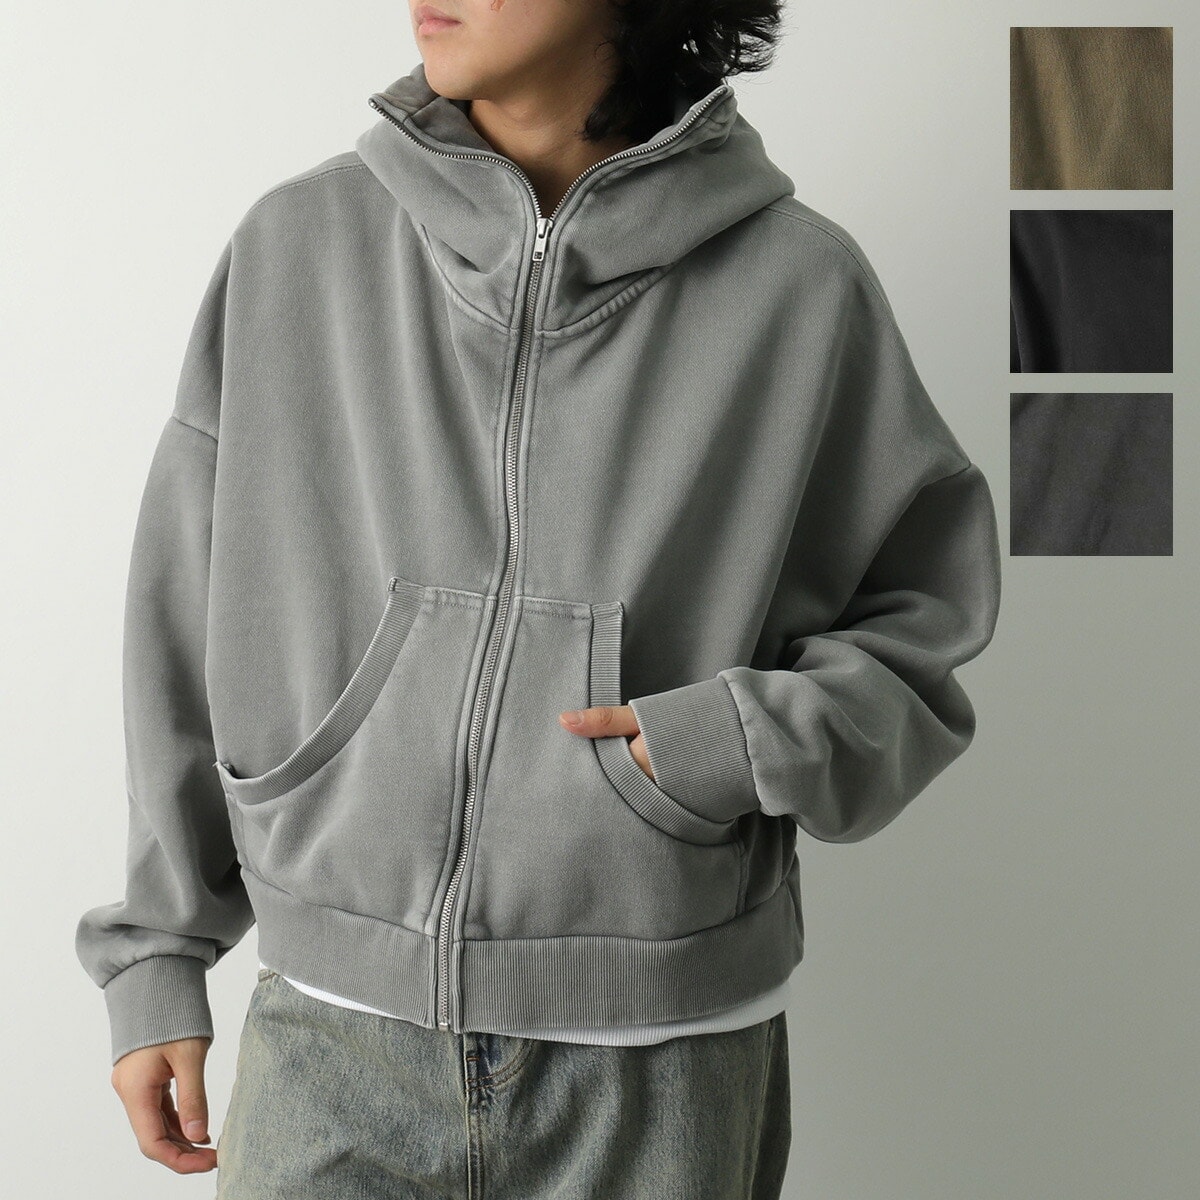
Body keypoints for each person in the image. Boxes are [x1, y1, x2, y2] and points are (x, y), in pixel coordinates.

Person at [75, 1, 1003, 1196]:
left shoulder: (800, 287)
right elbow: (183, 606)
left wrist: (733, 741)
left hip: (657, 1066)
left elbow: (919, 626)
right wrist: (156, 952)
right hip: (331, 1043)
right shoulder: (300, 246)